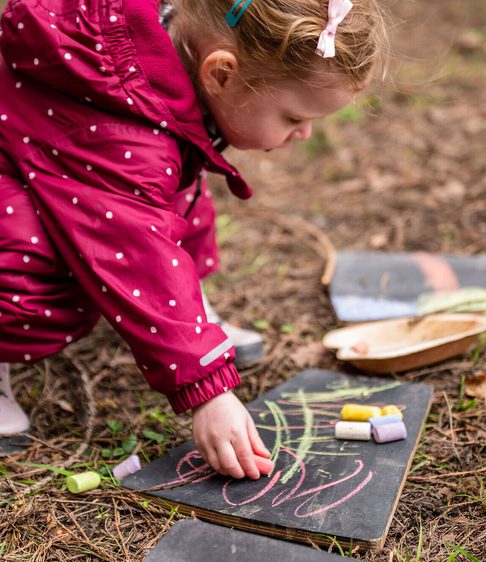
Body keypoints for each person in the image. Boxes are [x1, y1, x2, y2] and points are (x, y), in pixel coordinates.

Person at [0, 0, 388, 477]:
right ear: (222, 74)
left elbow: (154, 216)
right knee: (28, 264)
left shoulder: (159, 62)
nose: (304, 134)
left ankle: (193, 321)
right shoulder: (128, 136)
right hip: (11, 175)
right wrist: (208, 392)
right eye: (292, 118)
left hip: (42, 158)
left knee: (174, 191)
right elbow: (134, 250)